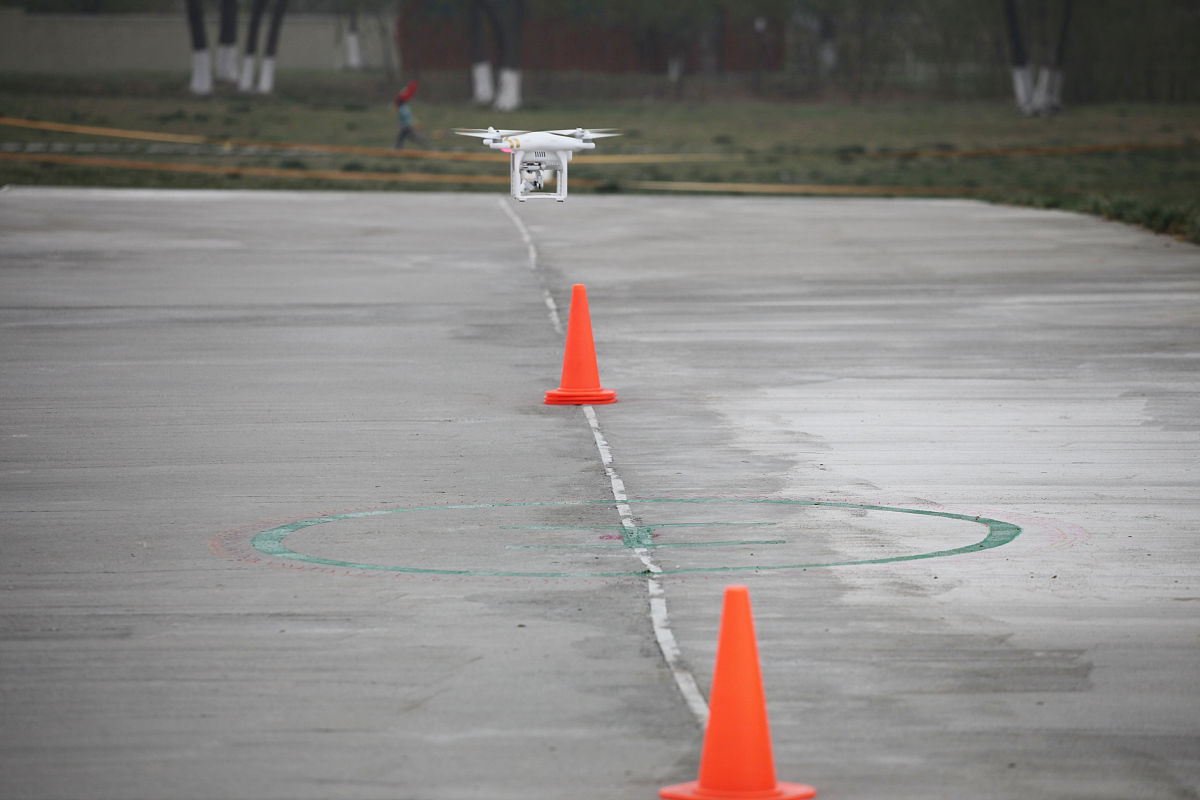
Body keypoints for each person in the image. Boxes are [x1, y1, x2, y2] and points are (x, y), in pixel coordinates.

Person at [392, 79, 425, 149]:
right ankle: (424, 143)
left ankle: (397, 149)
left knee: (401, 138)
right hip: (407, 127)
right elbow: (410, 117)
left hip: (406, 127)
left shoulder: (402, 109)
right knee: (412, 138)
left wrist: (417, 125)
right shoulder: (404, 107)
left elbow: (408, 118)